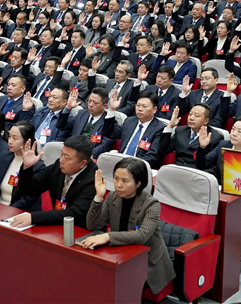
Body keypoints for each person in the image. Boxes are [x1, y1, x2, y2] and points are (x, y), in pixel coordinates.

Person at [82, 158, 176, 294]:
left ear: (138, 183)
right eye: (116, 179)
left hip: (147, 261)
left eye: (125, 181)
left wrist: (108, 236)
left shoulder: (151, 204)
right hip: (120, 253)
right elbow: (93, 226)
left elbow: (142, 236)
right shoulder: (113, 197)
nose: (118, 185)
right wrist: (98, 197)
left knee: (120, 285)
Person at [10, 134, 98, 229]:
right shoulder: (57, 167)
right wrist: (27, 168)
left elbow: (74, 214)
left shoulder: (93, 180)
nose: (61, 160)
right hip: (56, 226)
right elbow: (29, 190)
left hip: (80, 230)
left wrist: (34, 217)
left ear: (82, 164)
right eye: (61, 154)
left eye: (67, 158)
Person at [0, 120, 45, 211]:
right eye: (9, 137)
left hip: (19, 212)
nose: (10, 141)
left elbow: (28, 199)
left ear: (27, 141)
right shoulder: (4, 156)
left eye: (15, 138)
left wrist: (7, 210)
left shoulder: (38, 167)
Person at [109, 91, 167, 168]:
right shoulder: (129, 121)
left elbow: (153, 157)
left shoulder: (160, 128)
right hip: (121, 163)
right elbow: (110, 133)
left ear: (154, 110)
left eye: (144, 106)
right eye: (138, 105)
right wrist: (112, 110)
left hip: (139, 168)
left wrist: (132, 167)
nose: (140, 109)